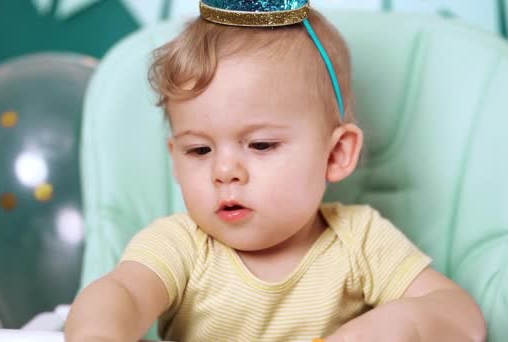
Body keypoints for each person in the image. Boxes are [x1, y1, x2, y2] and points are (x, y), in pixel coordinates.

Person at [65, 2, 486, 341]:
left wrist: (396, 327)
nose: (224, 170)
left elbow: (462, 316)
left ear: (336, 153)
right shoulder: (181, 247)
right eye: (199, 150)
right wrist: (99, 331)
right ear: (174, 158)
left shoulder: (358, 242)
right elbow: (121, 294)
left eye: (261, 145)